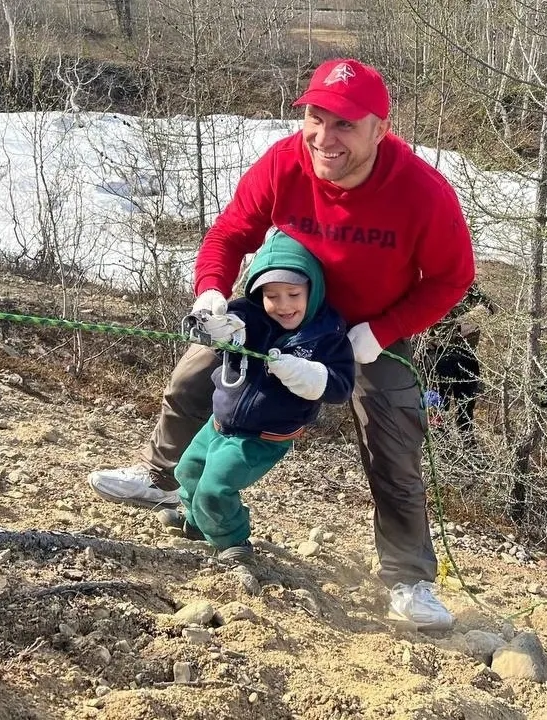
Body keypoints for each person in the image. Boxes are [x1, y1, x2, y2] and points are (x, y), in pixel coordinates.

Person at [86, 58, 475, 630]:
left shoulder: (420, 191)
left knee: (393, 435)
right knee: (195, 373)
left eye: (344, 123)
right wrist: (213, 295)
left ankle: (409, 577)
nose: (325, 136)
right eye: (316, 117)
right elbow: (230, 232)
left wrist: (382, 333)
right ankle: (163, 480)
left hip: (366, 330)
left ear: (379, 130)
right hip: (279, 308)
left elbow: (452, 278)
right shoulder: (284, 163)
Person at [158, 230, 355, 561]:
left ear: (313, 289)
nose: (283, 305)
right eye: (272, 295)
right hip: (219, 422)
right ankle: (197, 524)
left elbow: (340, 386)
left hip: (263, 436)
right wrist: (220, 326)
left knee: (215, 488)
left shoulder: (327, 335)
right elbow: (233, 323)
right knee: (188, 473)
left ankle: (232, 540)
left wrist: (305, 373)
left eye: (293, 293)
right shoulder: (250, 316)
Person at [423, 284, 494, 449]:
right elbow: (438, 330)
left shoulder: (467, 285)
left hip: (466, 355)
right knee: (437, 404)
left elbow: (489, 307)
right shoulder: (430, 285)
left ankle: (467, 445)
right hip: (437, 356)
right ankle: (437, 447)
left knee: (466, 407)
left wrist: (464, 323)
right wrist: (458, 327)